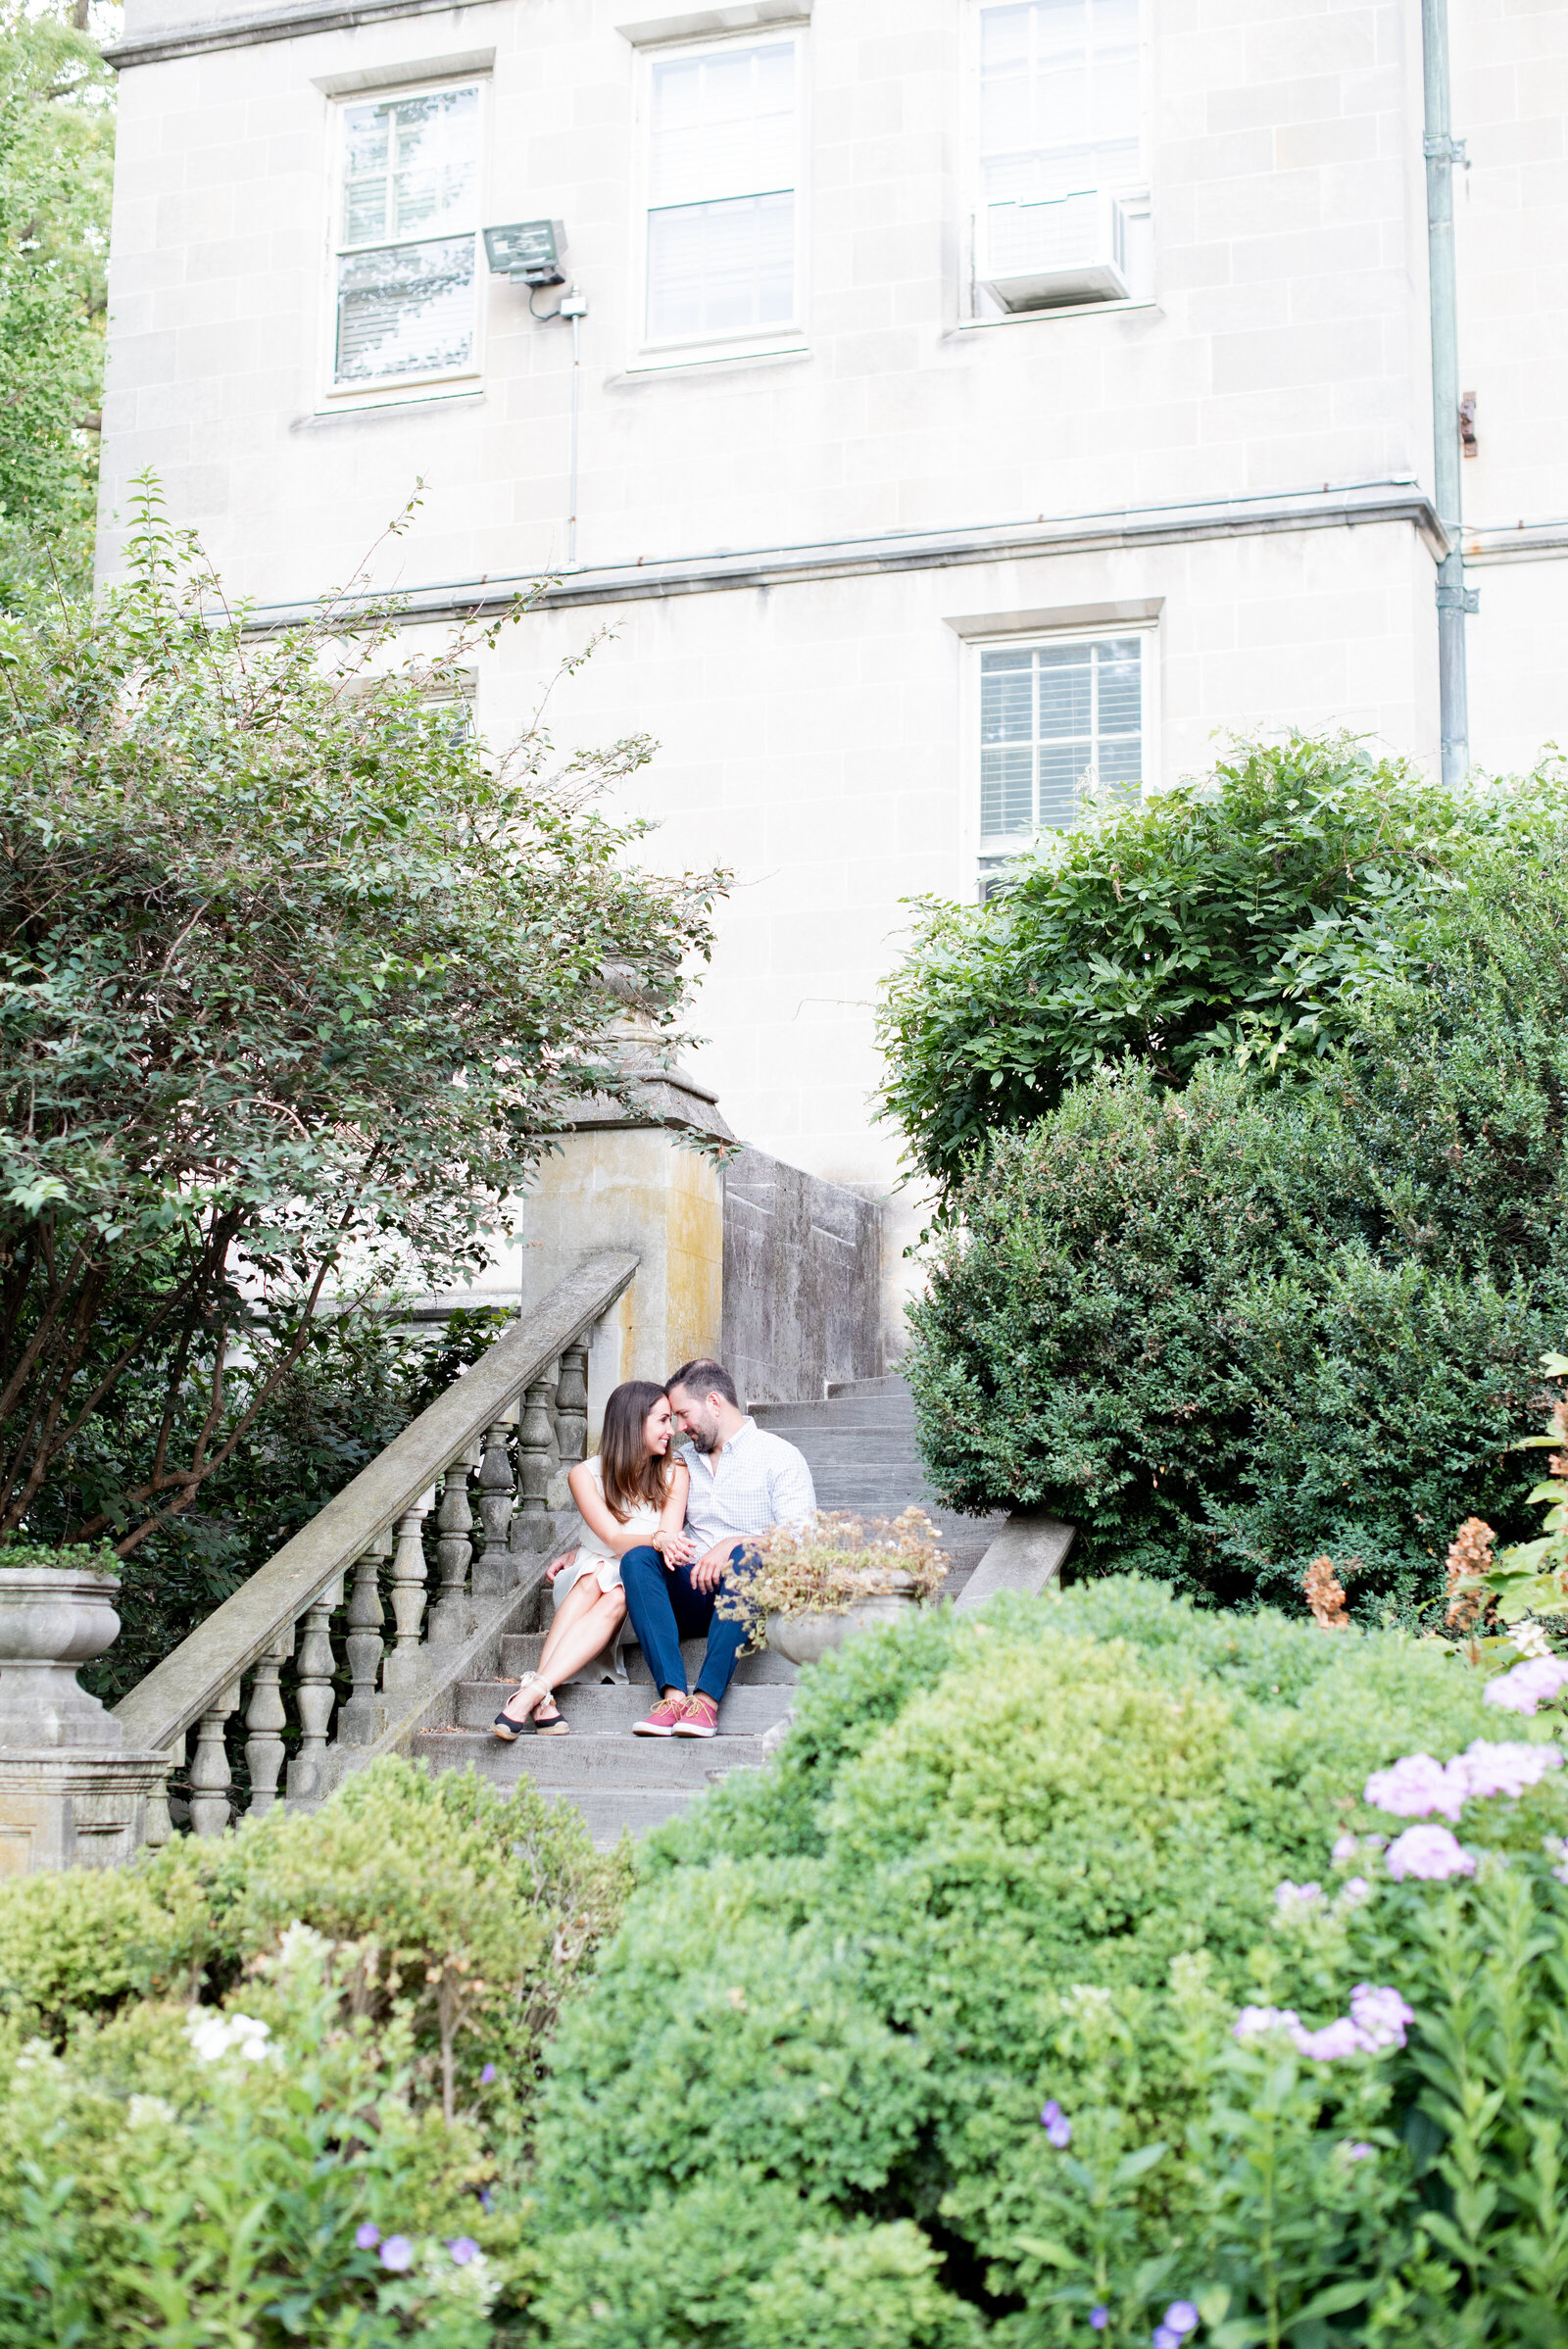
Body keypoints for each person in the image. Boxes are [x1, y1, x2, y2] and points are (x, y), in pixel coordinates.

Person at [620, 1357, 815, 1740]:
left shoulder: (779, 1456)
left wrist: (733, 1543)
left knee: (749, 1555)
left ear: (713, 1403)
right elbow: (630, 1506)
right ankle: (674, 1696)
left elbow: (802, 1541)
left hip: (752, 1591)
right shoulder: (681, 1462)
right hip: (697, 1589)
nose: (678, 1427)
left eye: (682, 1414)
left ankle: (706, 1702)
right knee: (638, 1559)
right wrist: (579, 1552)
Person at [492, 1380, 691, 1738]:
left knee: (616, 1588)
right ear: (634, 1422)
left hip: (641, 1590)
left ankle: (531, 1695)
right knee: (592, 1574)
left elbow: (668, 1545)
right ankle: (541, 1698)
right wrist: (656, 1538)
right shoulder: (583, 1475)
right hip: (588, 1580)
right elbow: (613, 1539)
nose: (671, 1430)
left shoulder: (675, 1471)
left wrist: (659, 1541)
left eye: (672, 1420)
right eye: (662, 1420)